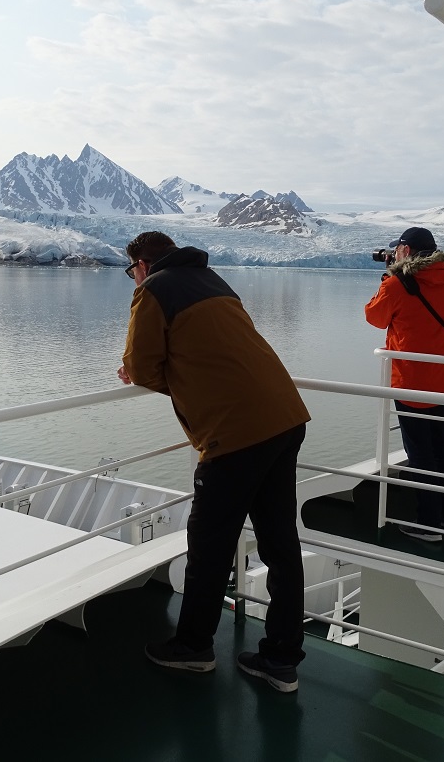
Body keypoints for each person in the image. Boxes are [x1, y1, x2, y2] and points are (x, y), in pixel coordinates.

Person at [117, 231, 310, 693]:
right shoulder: (213, 280)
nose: (132, 279)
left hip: (236, 432)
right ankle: (281, 659)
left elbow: (142, 368)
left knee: (208, 543)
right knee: (280, 544)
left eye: (130, 272)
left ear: (142, 264)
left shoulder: (153, 290)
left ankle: (193, 648)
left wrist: (158, 377)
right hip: (284, 417)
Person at [364, 227, 444, 543]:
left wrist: (389, 279)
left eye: (397, 251)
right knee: (442, 449)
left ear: (405, 251)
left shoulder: (395, 284)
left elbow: (375, 317)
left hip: (411, 380)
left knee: (420, 452)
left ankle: (429, 523)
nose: (392, 255)